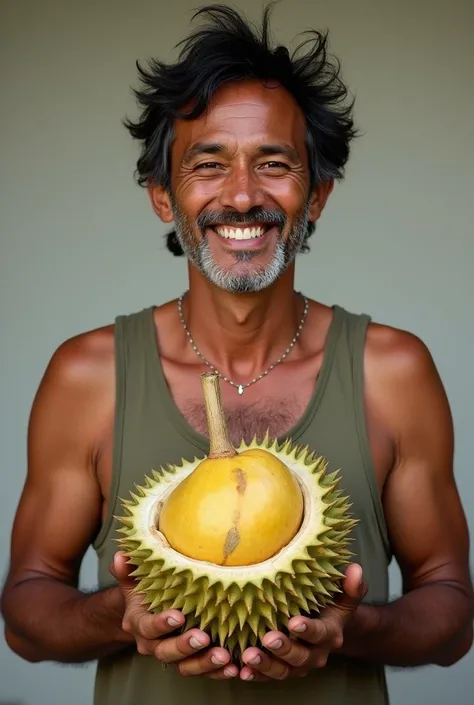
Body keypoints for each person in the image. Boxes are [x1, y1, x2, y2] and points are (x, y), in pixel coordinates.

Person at [2, 4, 473, 705]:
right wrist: (122, 614)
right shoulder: (89, 375)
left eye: (275, 164)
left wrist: (350, 628)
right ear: (165, 195)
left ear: (317, 195)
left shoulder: (393, 372)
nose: (244, 195)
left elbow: (452, 609)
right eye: (209, 164)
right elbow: (26, 609)